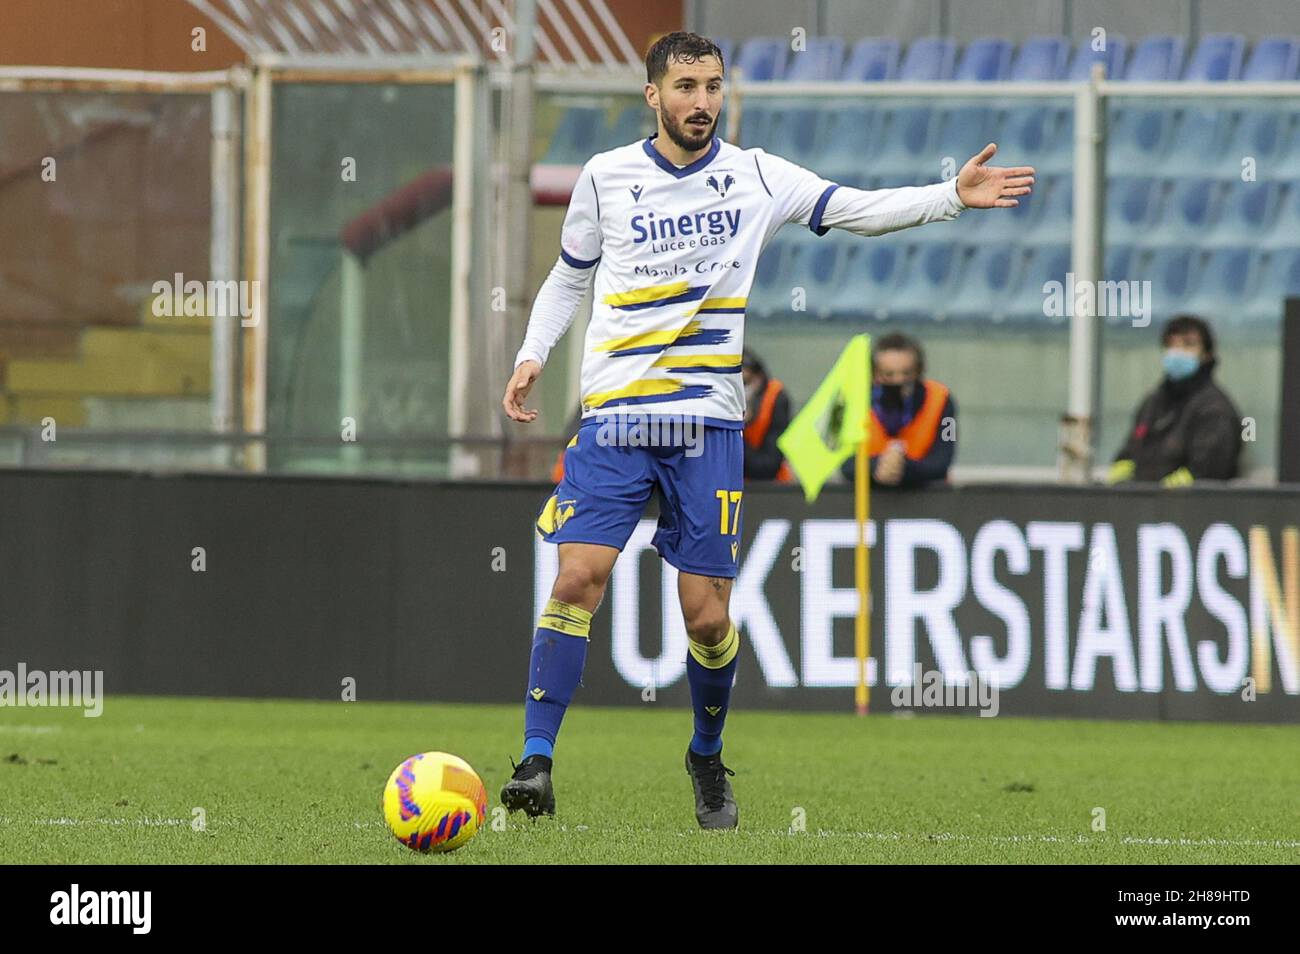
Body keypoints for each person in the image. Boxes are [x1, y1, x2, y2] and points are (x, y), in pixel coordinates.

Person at [500, 31, 1034, 829]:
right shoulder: (606, 178)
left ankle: (706, 757)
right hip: (614, 419)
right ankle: (536, 762)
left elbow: (857, 210)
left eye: (713, 86)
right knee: (578, 575)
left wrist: (949, 194)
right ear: (653, 95)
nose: (702, 102)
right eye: (685, 87)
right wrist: (532, 355)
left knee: (707, 617)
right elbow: (568, 277)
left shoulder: (755, 175)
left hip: (709, 427)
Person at [1108, 314, 1242, 486]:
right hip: (1140, 506)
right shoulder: (1153, 402)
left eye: (1188, 345)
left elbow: (1206, 472)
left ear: (1207, 354)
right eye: (1171, 345)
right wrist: (1118, 488)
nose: (1177, 352)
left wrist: (1162, 495)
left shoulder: (1215, 409)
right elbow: (1128, 454)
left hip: (1186, 508)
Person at [840, 333, 956, 488]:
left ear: (918, 371)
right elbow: (845, 463)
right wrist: (877, 466)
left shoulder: (942, 399)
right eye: (889, 374)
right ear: (874, 375)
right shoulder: (853, 402)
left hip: (925, 499)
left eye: (906, 373)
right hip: (868, 501)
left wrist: (903, 467)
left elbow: (942, 461)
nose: (898, 381)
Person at [741, 348, 794, 482]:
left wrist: (736, 429)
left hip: (770, 489)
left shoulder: (776, 398)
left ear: (758, 378)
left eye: (745, 383)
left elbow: (768, 466)